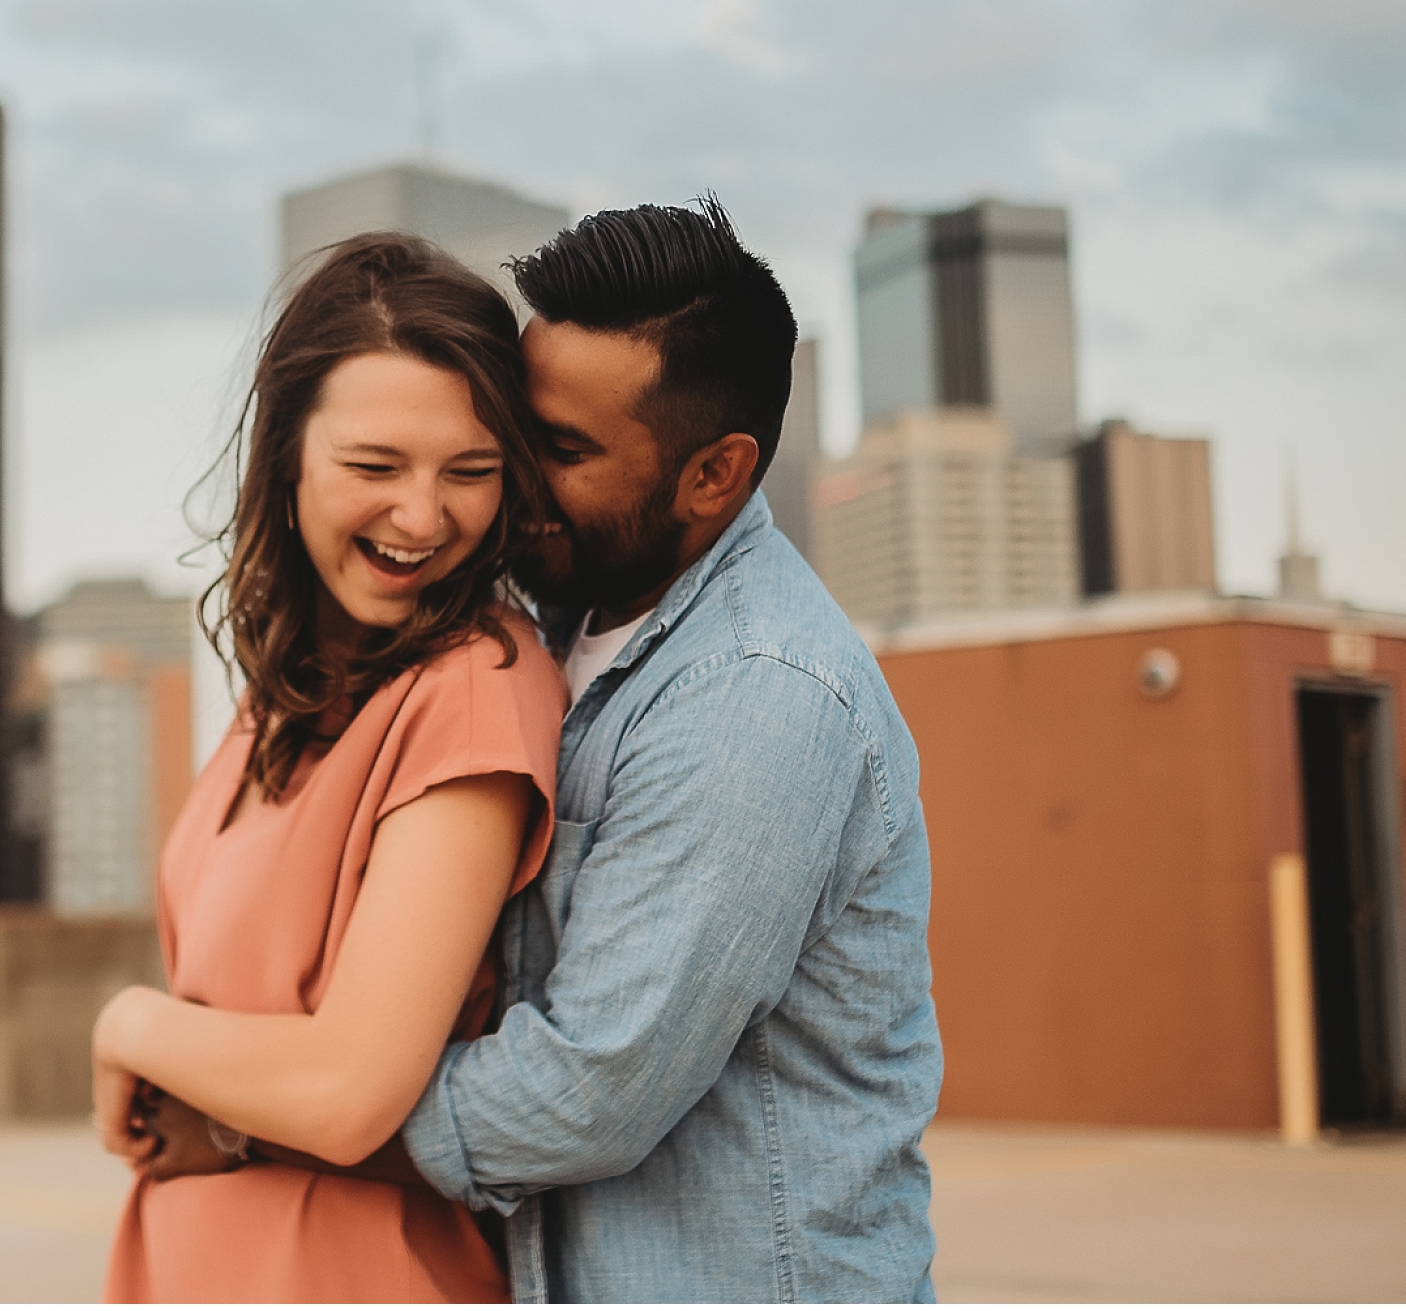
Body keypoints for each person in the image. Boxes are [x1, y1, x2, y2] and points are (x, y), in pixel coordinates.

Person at [111, 199, 942, 1303]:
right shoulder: (563, 620)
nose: (508, 488)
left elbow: (582, 1092)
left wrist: (241, 1120)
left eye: (552, 450)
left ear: (713, 475)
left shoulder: (756, 696)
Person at [93, 232, 571, 1303]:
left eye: (470, 473)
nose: (421, 516)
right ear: (287, 457)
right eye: (373, 467)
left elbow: (350, 1089)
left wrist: (133, 1024)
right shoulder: (276, 693)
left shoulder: (475, 685)